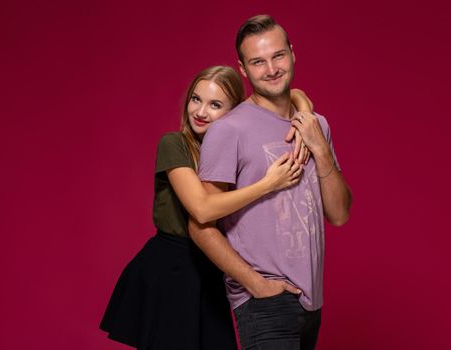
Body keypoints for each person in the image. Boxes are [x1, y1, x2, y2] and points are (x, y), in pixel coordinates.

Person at [100, 65, 314, 350]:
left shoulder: (232, 146)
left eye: (215, 104)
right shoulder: (174, 144)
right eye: (196, 99)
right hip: (171, 267)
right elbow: (202, 209)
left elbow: (294, 95)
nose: (200, 112)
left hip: (214, 269)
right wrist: (268, 184)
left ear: (235, 112)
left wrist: (303, 109)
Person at [189, 16, 352, 350]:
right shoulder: (228, 130)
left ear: (292, 53)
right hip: (264, 300)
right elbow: (201, 223)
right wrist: (256, 284)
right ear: (244, 70)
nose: (272, 68)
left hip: (311, 300)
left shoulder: (316, 124)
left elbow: (338, 214)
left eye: (278, 56)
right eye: (258, 62)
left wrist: (319, 146)